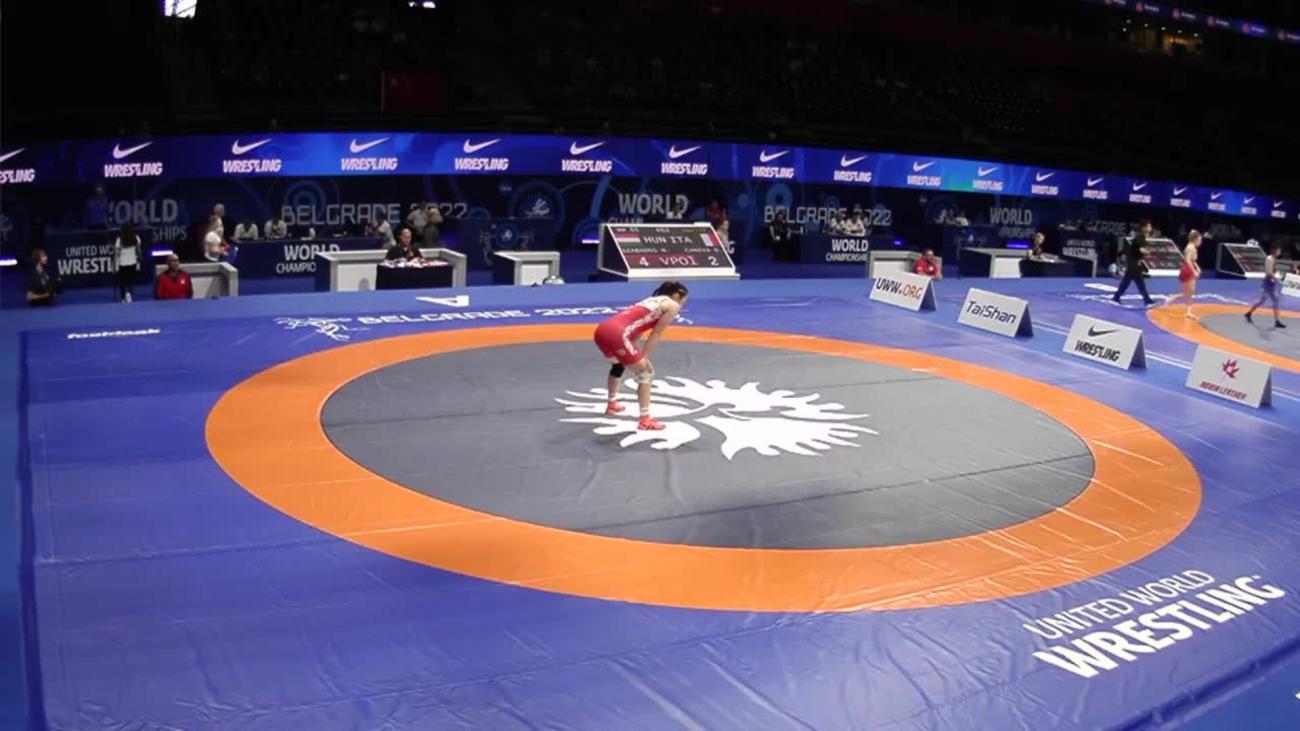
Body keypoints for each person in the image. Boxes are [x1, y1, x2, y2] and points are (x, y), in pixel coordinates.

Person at [592, 282, 688, 431]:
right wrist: (645, 358)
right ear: (676, 295)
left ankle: (612, 404)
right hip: (617, 333)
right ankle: (645, 420)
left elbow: (637, 328)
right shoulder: (672, 305)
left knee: (618, 365)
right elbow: (656, 334)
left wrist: (634, 352)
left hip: (602, 331)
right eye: (683, 301)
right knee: (646, 373)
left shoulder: (650, 301)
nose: (682, 305)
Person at [1113, 220, 1155, 306]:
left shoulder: (1141, 236)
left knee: (1128, 281)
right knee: (1138, 282)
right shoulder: (1140, 237)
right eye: (1149, 226)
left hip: (1134, 262)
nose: (1150, 228)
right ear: (1144, 228)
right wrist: (1148, 252)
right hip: (1134, 263)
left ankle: (1116, 297)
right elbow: (1141, 249)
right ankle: (1147, 300)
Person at [1245, 243, 1287, 328]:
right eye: (1279, 250)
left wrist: (1277, 275)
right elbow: (1269, 272)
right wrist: (1278, 280)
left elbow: (1272, 271)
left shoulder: (1273, 259)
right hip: (1268, 282)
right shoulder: (1269, 259)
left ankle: (1249, 313)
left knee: (1262, 300)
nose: (1280, 252)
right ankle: (1277, 321)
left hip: (1270, 282)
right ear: (1275, 250)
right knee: (1275, 301)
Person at [1174, 230, 1202, 319]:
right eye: (1199, 240)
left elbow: (1192, 260)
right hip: (1187, 269)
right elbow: (1188, 260)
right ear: (1195, 239)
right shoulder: (1190, 248)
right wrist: (1194, 271)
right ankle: (1188, 311)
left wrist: (1197, 267)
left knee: (1188, 292)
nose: (1200, 242)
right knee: (1189, 292)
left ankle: (1188, 310)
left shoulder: (1192, 247)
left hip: (1187, 269)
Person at [113, 222, 142, 302]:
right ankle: (129, 293)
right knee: (130, 281)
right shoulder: (136, 238)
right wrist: (139, 261)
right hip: (132, 262)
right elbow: (139, 251)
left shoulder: (119, 240)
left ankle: (123, 297)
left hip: (122, 263)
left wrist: (114, 265)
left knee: (122, 282)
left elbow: (116, 253)